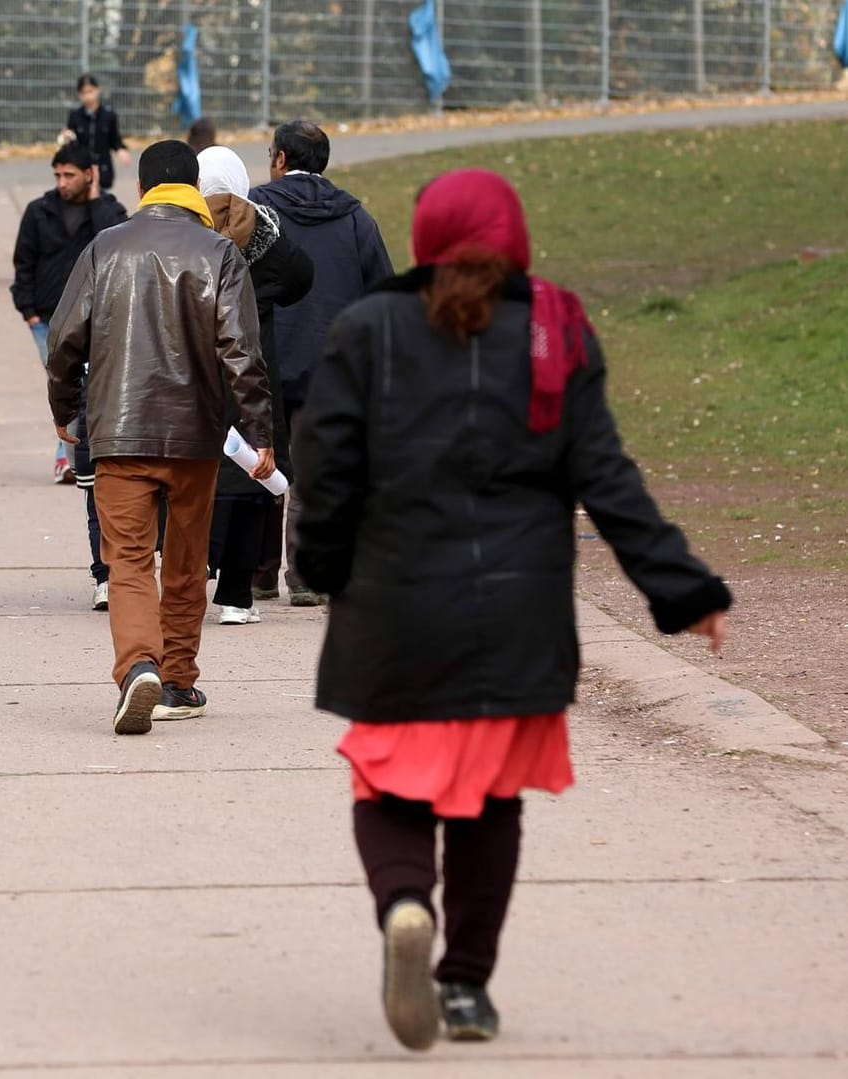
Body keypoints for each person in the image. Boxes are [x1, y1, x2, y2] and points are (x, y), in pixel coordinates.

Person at [292, 169, 733, 1053]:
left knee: (389, 787)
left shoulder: (368, 327)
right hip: (518, 616)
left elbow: (328, 474)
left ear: (423, 237)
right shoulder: (553, 329)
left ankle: (406, 904)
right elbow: (605, 475)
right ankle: (463, 987)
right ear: (515, 238)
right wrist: (682, 588)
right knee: (491, 804)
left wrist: (322, 571)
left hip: (396, 608)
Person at [47, 140, 275, 735]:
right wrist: (258, 428)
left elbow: (65, 339)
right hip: (195, 435)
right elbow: (241, 351)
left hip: (119, 431)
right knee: (185, 559)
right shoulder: (220, 253)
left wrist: (67, 410)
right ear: (193, 187)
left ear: (145, 186)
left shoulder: (105, 247)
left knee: (125, 559)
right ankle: (178, 678)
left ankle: (138, 666)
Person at [250, 119, 393, 607]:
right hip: (332, 363)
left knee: (261, 465)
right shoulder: (356, 218)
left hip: (264, 358)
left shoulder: (257, 209)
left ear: (282, 160)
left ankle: (259, 572)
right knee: (313, 473)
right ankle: (306, 576)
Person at [197, 146, 314, 626]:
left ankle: (194, 566)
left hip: (195, 368)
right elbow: (300, 278)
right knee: (249, 474)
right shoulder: (263, 232)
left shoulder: (184, 228)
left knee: (194, 476)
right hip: (249, 365)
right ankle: (236, 595)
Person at [12, 142, 128, 486]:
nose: (62, 181)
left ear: (89, 175)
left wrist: (94, 201)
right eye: (58, 175)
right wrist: (28, 310)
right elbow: (24, 262)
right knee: (65, 384)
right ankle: (67, 458)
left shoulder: (109, 210)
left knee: (92, 388)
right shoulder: (39, 211)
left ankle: (82, 455)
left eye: (70, 175)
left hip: (97, 319)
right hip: (48, 319)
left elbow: (117, 248)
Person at [60, 74, 130, 191]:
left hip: (103, 171)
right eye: (83, 93)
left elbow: (115, 139)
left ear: (98, 90)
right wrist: (65, 138)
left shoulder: (109, 116)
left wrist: (121, 150)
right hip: (81, 171)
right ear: (79, 94)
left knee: (102, 204)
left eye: (90, 91)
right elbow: (69, 140)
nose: (88, 97)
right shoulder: (75, 116)